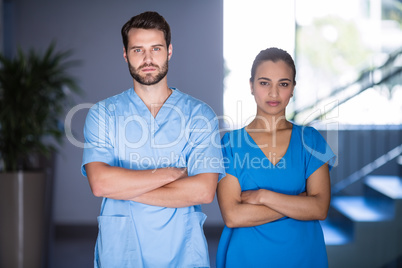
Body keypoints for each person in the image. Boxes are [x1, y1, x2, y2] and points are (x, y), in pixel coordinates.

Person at [81, 11, 224, 267]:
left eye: (156, 48)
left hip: (182, 252)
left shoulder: (200, 114)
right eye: (137, 50)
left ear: (169, 51)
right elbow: (101, 184)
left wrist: (123, 186)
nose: (147, 58)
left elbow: (203, 191)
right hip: (122, 251)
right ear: (125, 55)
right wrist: (170, 174)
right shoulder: (102, 114)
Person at [216, 47, 336, 268]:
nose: (274, 93)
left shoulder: (310, 141)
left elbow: (319, 209)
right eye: (264, 83)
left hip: (303, 257)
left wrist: (263, 196)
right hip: (246, 258)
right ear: (251, 86)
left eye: (283, 84)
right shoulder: (230, 145)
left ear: (292, 89)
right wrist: (299, 203)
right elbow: (233, 216)